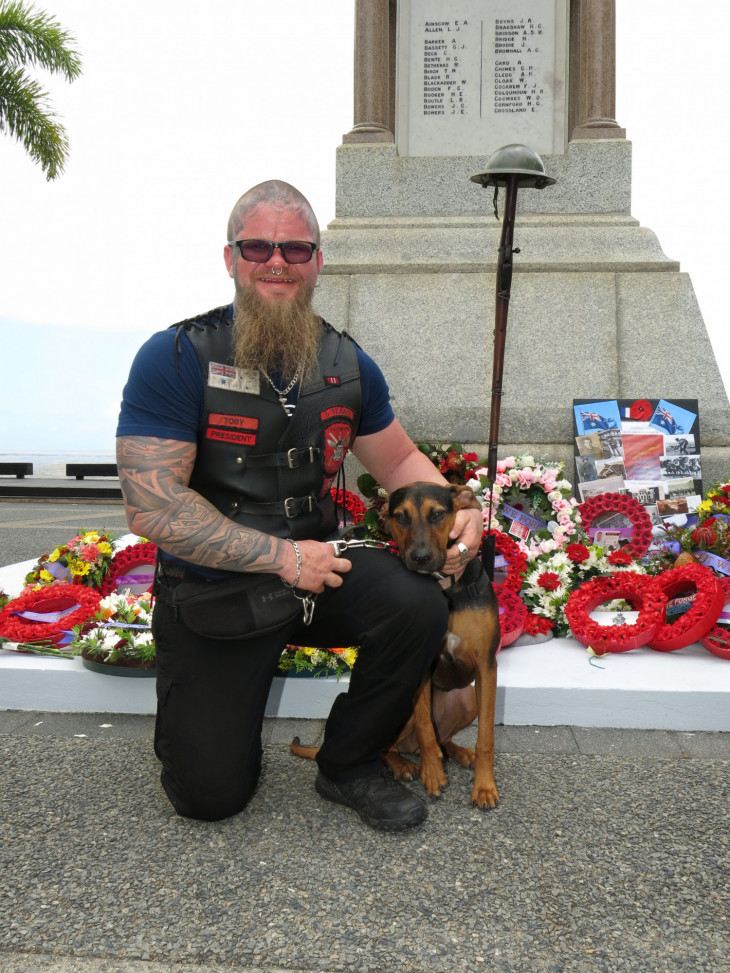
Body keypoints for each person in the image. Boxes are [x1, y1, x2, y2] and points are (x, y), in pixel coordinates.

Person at [116, 180, 483, 831]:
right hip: (215, 586)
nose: (276, 260)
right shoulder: (174, 357)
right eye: (257, 246)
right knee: (209, 797)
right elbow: (153, 507)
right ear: (230, 258)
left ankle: (349, 762)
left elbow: (399, 462)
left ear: (317, 260)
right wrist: (280, 557)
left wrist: (463, 509)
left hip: (321, 567)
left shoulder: (349, 363)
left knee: (417, 601)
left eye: (295, 247)